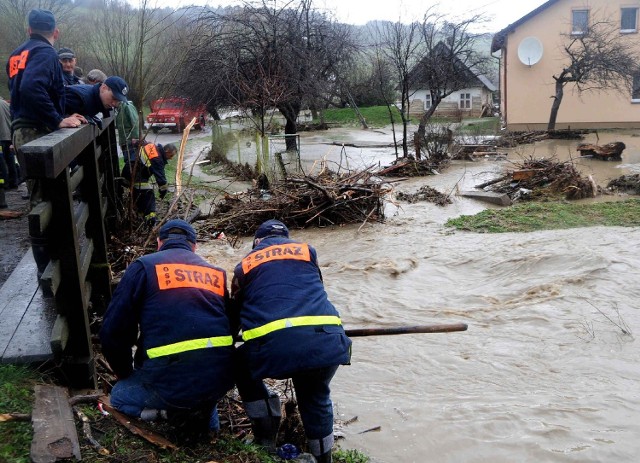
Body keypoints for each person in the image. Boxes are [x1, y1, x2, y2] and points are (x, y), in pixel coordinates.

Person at [99, 219, 235, 442]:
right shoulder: (217, 273)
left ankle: (172, 413)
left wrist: (124, 373)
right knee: (204, 395)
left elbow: (113, 331)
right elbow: (229, 323)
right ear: (194, 246)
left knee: (119, 396)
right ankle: (210, 433)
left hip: (169, 376)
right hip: (219, 378)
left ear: (159, 243)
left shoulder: (144, 266)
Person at [231, 220, 352, 463]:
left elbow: (236, 313)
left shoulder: (244, 264)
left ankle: (266, 437)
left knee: (239, 366)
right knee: (315, 397)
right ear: (288, 237)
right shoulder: (308, 251)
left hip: (276, 347)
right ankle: (323, 457)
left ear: (257, 242)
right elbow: (313, 287)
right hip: (327, 340)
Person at [6, 9, 85, 155]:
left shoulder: (15, 55)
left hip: (20, 129)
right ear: (56, 32)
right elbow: (31, 87)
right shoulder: (46, 52)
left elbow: (17, 93)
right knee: (46, 178)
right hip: (37, 131)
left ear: (29, 30)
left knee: (31, 177)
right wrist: (57, 120)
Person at [122, 142, 176, 226]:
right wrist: (163, 192)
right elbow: (161, 179)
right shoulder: (157, 157)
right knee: (148, 193)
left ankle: (139, 214)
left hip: (129, 172)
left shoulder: (152, 147)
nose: (171, 158)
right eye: (171, 155)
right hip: (134, 175)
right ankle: (151, 218)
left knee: (140, 192)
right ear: (167, 151)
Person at [64, 76, 129, 125]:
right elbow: (55, 110)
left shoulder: (96, 100)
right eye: (113, 98)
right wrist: (65, 117)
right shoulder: (79, 97)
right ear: (104, 88)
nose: (114, 103)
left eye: (118, 100)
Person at [115, 99, 139, 163]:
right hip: (124, 141)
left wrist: (135, 137)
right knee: (127, 161)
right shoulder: (118, 109)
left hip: (130, 141)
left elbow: (135, 121)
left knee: (132, 162)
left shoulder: (127, 106)